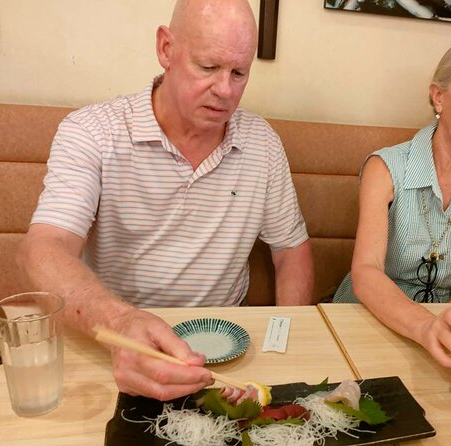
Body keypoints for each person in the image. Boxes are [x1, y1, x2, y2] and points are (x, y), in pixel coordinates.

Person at [16, 0, 313, 401]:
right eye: (207, 67)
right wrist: (121, 324)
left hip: (226, 348)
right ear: (166, 49)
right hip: (118, 344)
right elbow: (42, 250)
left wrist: (283, 343)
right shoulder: (93, 131)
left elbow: (291, 250)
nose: (225, 90)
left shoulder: (261, 143)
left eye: (239, 73)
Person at [333, 36, 451, 371]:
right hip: (369, 316)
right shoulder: (385, 167)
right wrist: (424, 325)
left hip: (449, 326)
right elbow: (366, 271)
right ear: (439, 96)